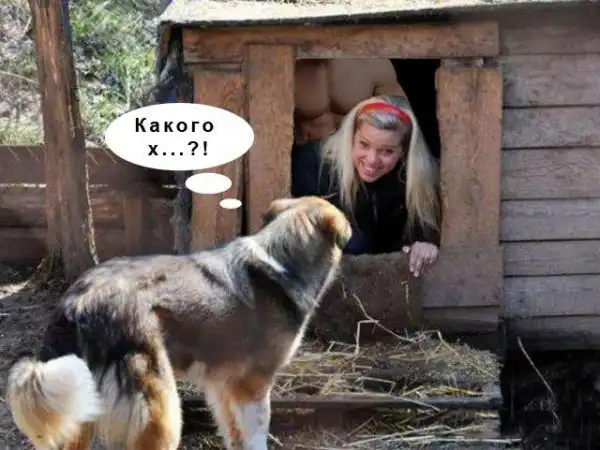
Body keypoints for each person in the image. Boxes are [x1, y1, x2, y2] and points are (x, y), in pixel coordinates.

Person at [291, 94, 441, 278]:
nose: (372, 160)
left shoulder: (413, 181)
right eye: (364, 144)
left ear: (404, 151)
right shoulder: (313, 165)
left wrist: (425, 245)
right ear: (351, 136)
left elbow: (422, 233)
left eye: (387, 151)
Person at [294, 58, 408, 145]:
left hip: (355, 155)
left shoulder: (374, 63)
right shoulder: (287, 66)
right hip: (302, 154)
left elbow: (401, 122)